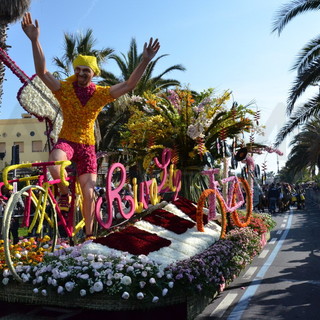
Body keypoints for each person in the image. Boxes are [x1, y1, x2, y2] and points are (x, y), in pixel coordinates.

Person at [21, 12, 160, 239]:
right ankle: (64, 193)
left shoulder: (101, 94)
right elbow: (42, 72)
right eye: (78, 69)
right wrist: (35, 40)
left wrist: (145, 60)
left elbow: (129, 84)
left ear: (93, 73)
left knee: (88, 191)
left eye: (86, 70)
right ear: (75, 71)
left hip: (87, 147)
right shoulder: (64, 89)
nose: (82, 73)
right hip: (67, 141)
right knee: (54, 164)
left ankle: (89, 236)